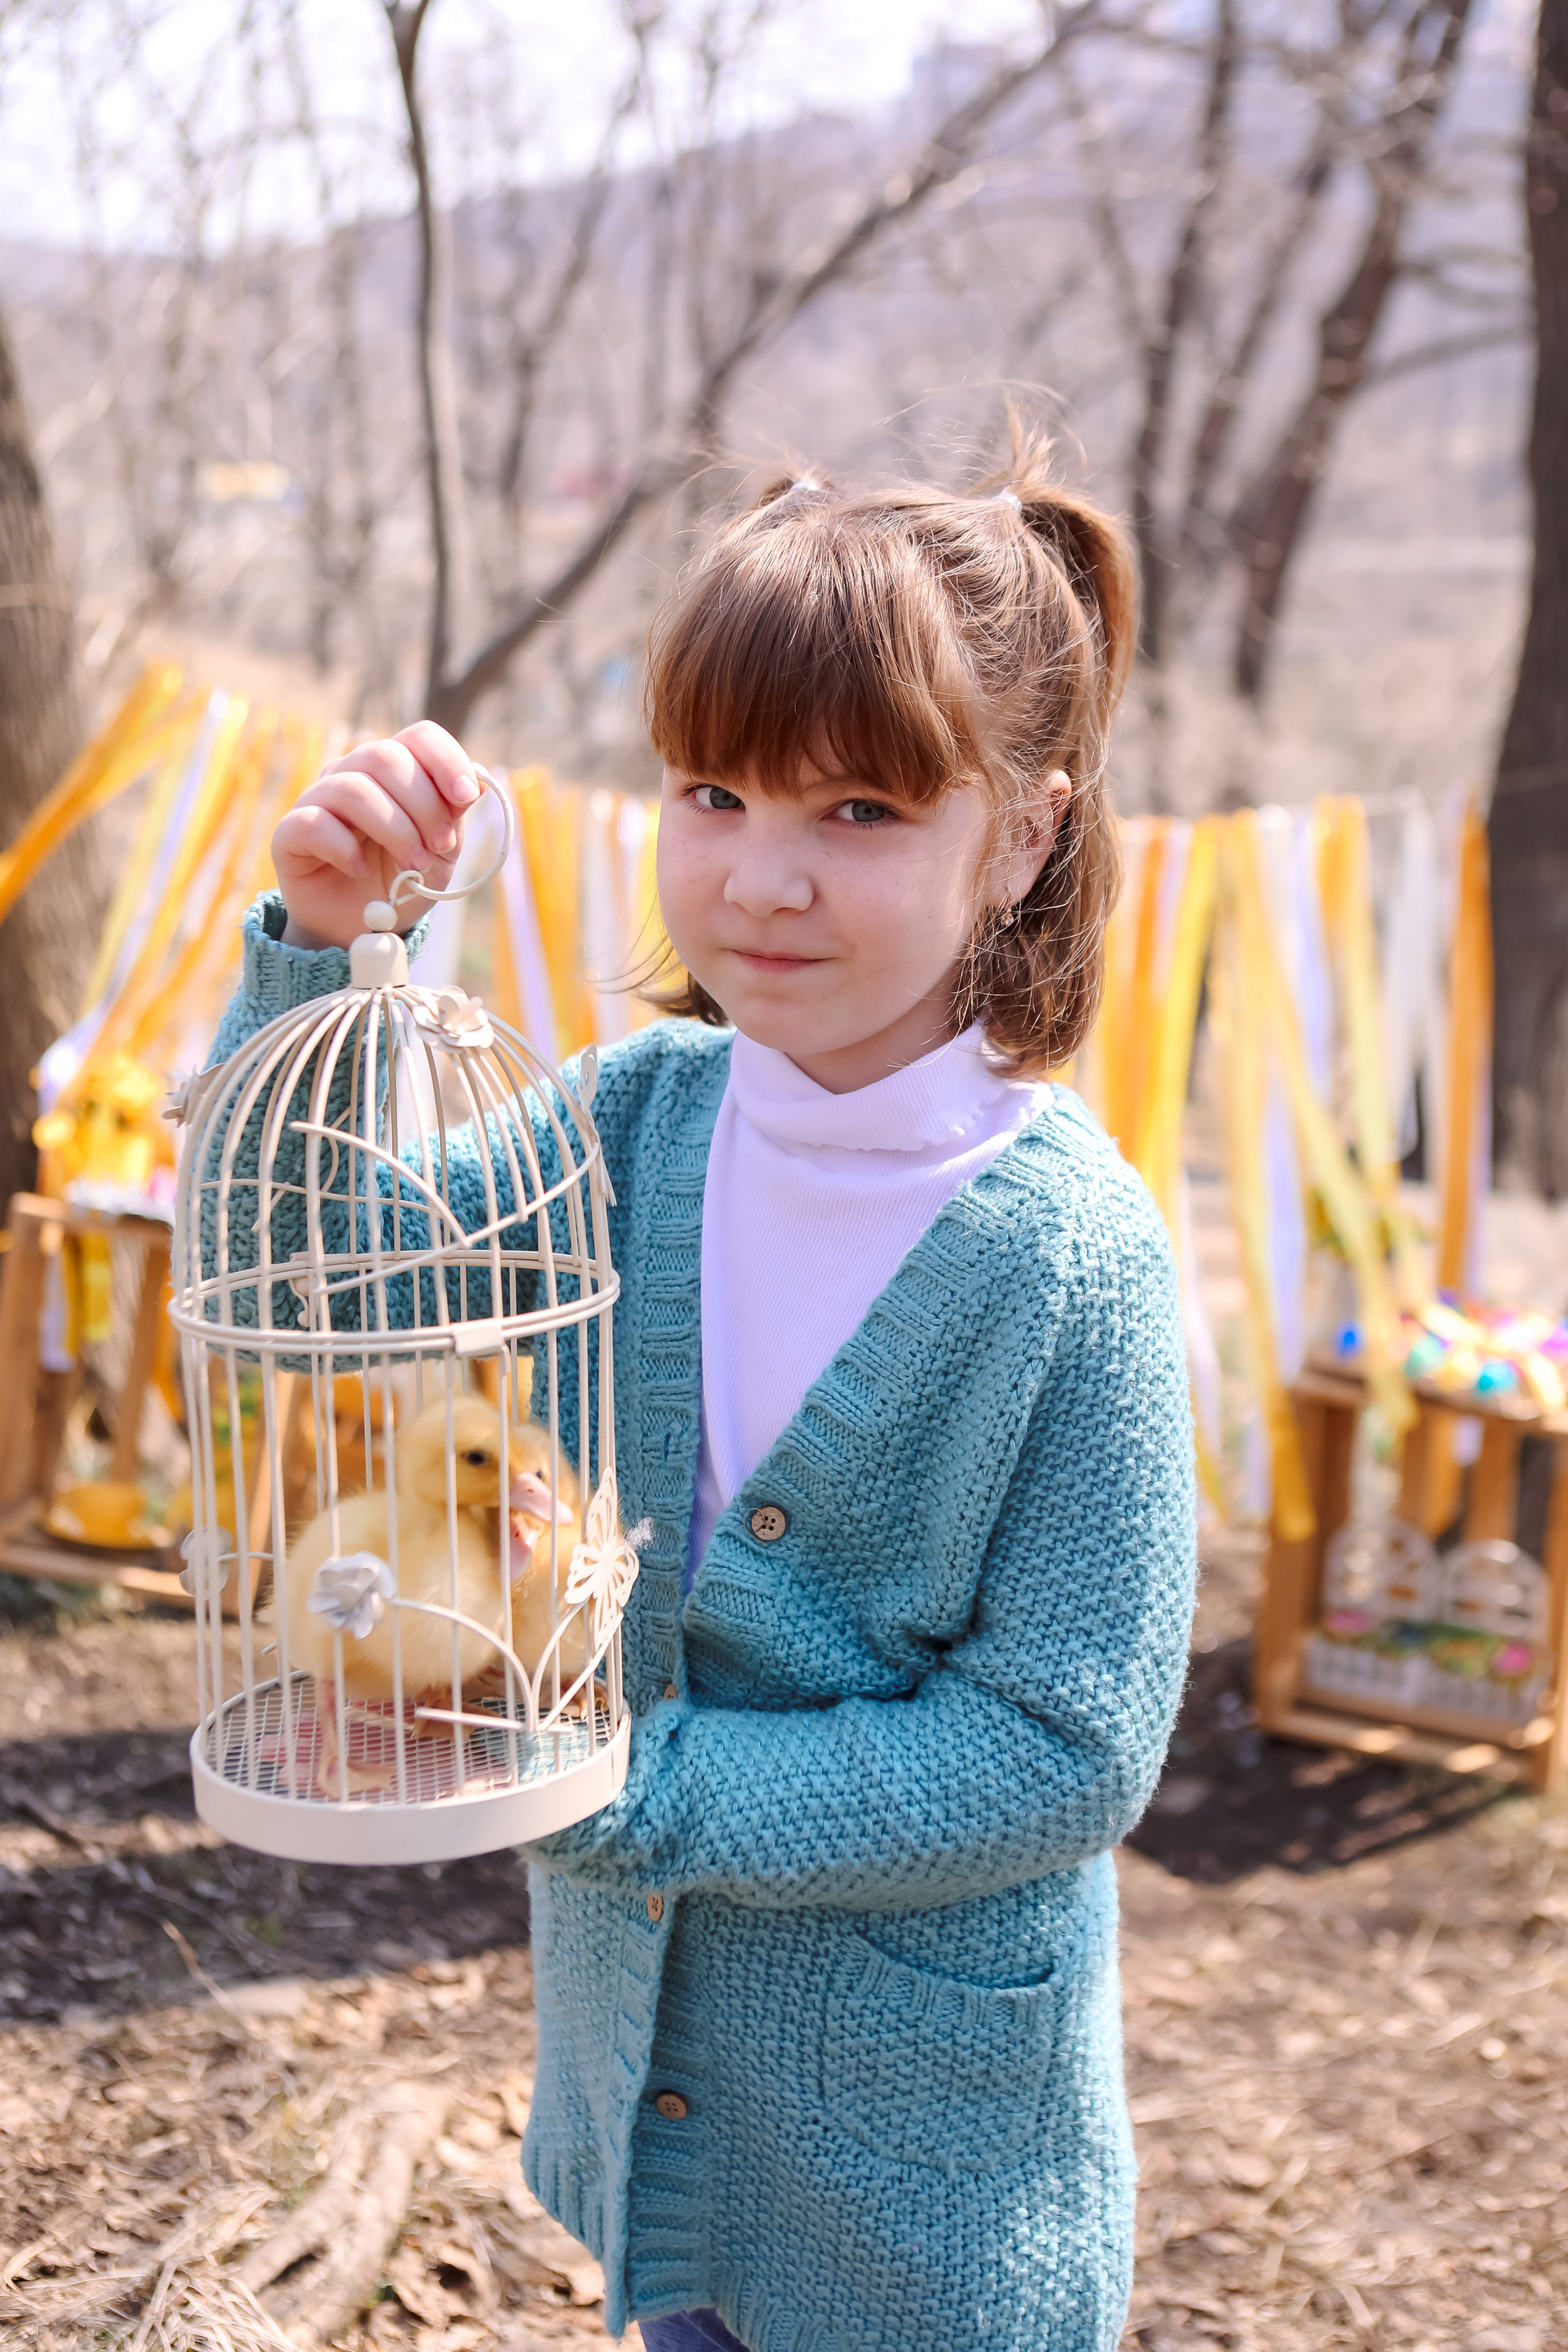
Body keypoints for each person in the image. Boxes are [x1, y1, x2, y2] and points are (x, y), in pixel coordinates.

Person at [212, 435, 1197, 2352]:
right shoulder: (628, 1132)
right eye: (713, 789)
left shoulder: (1069, 1261)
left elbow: (1067, 1746)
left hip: (924, 2202)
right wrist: (317, 959)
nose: (762, 874)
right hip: (653, 2122)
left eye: (859, 810)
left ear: (1026, 831)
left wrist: (633, 1788)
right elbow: (298, 1272)